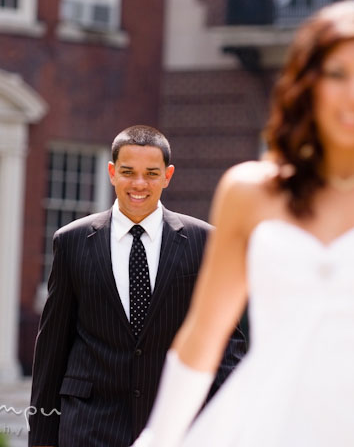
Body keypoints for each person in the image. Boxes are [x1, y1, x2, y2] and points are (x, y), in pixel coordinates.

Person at [133, 0, 354, 447]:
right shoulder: (248, 190)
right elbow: (204, 334)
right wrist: (158, 437)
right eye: (337, 74)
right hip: (270, 419)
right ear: (310, 84)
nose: (353, 95)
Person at [28, 125, 247, 447]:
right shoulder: (72, 241)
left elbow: (227, 342)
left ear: (168, 176)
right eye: (128, 172)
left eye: (151, 173)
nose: (139, 184)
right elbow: (52, 348)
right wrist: (41, 439)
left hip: (174, 425)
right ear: (112, 172)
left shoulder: (204, 242)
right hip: (88, 425)